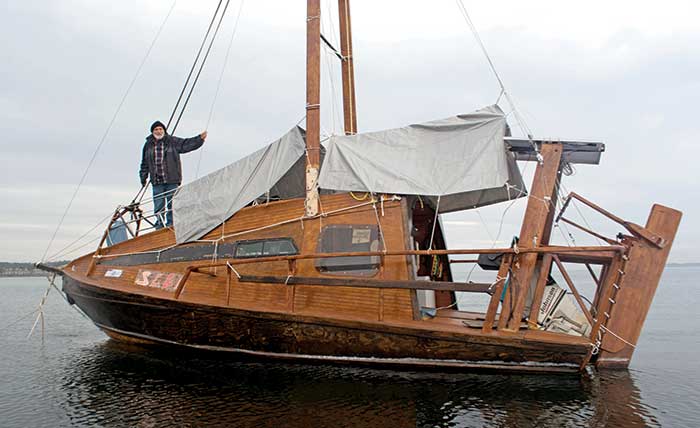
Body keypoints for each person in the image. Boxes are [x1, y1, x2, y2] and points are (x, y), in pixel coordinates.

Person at [139, 121, 207, 229]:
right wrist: (143, 177)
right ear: (152, 132)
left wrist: (199, 139)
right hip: (157, 181)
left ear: (164, 130)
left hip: (172, 179)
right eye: (156, 129)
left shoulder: (172, 141)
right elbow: (144, 163)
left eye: (160, 129)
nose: (158, 131)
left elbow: (186, 144)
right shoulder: (148, 145)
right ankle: (159, 225)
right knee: (159, 205)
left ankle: (171, 224)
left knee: (172, 204)